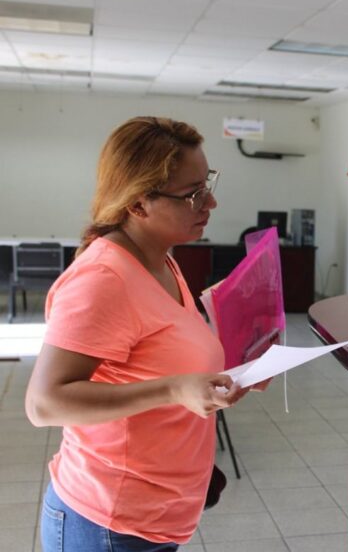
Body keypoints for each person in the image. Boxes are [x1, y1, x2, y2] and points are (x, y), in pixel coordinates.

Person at [26, 116, 251, 551]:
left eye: (209, 184)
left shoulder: (159, 258)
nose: (211, 204)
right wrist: (172, 391)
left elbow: (154, 339)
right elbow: (44, 403)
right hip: (109, 522)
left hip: (155, 515)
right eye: (193, 194)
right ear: (137, 204)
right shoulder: (103, 279)